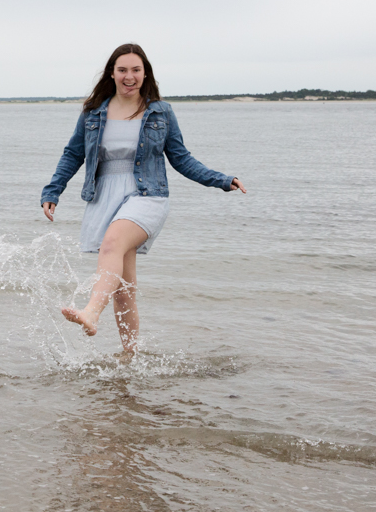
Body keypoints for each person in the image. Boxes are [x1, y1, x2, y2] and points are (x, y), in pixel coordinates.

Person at [41, 44, 247, 353]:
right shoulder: (93, 112)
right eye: (122, 70)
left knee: (111, 243)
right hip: (104, 196)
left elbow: (181, 158)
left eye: (136, 70)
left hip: (147, 195)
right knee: (124, 288)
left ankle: (91, 313)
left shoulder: (160, 111)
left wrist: (220, 180)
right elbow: (73, 155)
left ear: (145, 73)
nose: (129, 76)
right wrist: (53, 190)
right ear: (112, 73)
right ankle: (131, 357)